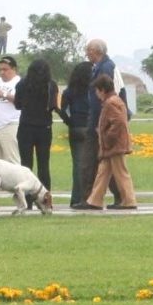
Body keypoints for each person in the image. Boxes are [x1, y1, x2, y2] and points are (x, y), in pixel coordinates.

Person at [77, 39, 122, 209]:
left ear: (96, 51)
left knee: (90, 161)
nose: (87, 53)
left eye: (88, 50)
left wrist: (99, 123)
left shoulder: (105, 67)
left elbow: (104, 96)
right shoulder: (102, 66)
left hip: (98, 122)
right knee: (103, 162)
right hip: (97, 120)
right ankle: (113, 197)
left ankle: (90, 199)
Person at [83, 74, 137, 210]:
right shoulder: (115, 100)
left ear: (102, 90)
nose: (96, 94)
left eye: (97, 90)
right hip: (112, 146)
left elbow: (118, 123)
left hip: (114, 145)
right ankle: (95, 200)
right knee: (103, 173)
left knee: (121, 173)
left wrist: (106, 137)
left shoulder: (110, 102)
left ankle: (129, 201)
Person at [13, 58, 58, 190]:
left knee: (25, 165)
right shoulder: (51, 85)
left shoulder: (22, 84)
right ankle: (45, 195)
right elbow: (52, 106)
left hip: (26, 126)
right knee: (44, 164)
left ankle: (27, 199)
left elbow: (17, 105)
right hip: (44, 128)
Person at [57, 61, 94, 207]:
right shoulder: (93, 90)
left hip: (76, 128)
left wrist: (69, 122)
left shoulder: (69, 91)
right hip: (90, 127)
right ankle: (90, 197)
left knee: (78, 165)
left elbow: (62, 109)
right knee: (91, 165)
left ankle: (76, 198)